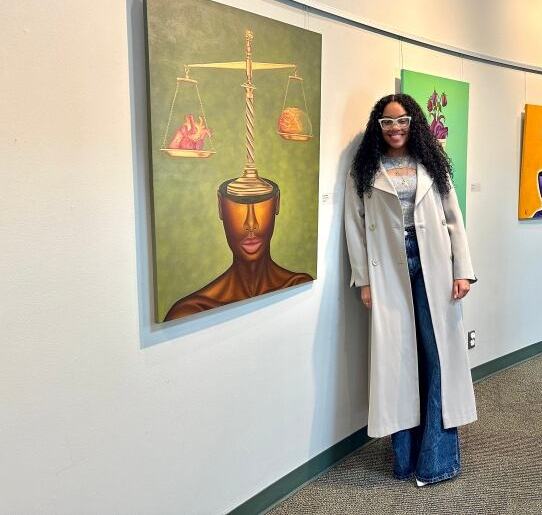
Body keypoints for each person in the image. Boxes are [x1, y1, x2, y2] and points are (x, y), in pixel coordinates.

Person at [344, 93, 477, 486]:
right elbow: (355, 224)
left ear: (413, 122)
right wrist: (363, 280)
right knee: (400, 363)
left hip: (433, 263)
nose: (395, 128)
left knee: (437, 357)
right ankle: (404, 460)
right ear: (377, 126)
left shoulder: (430, 163)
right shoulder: (366, 167)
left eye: (401, 120)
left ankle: (437, 461)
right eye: (387, 122)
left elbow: (453, 217)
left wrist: (463, 270)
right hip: (389, 269)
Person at [164, 178, 312, 321]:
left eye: (260, 203)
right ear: (221, 206)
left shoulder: (298, 284)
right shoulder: (191, 311)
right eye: (238, 205)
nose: (251, 223)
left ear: (277, 203)